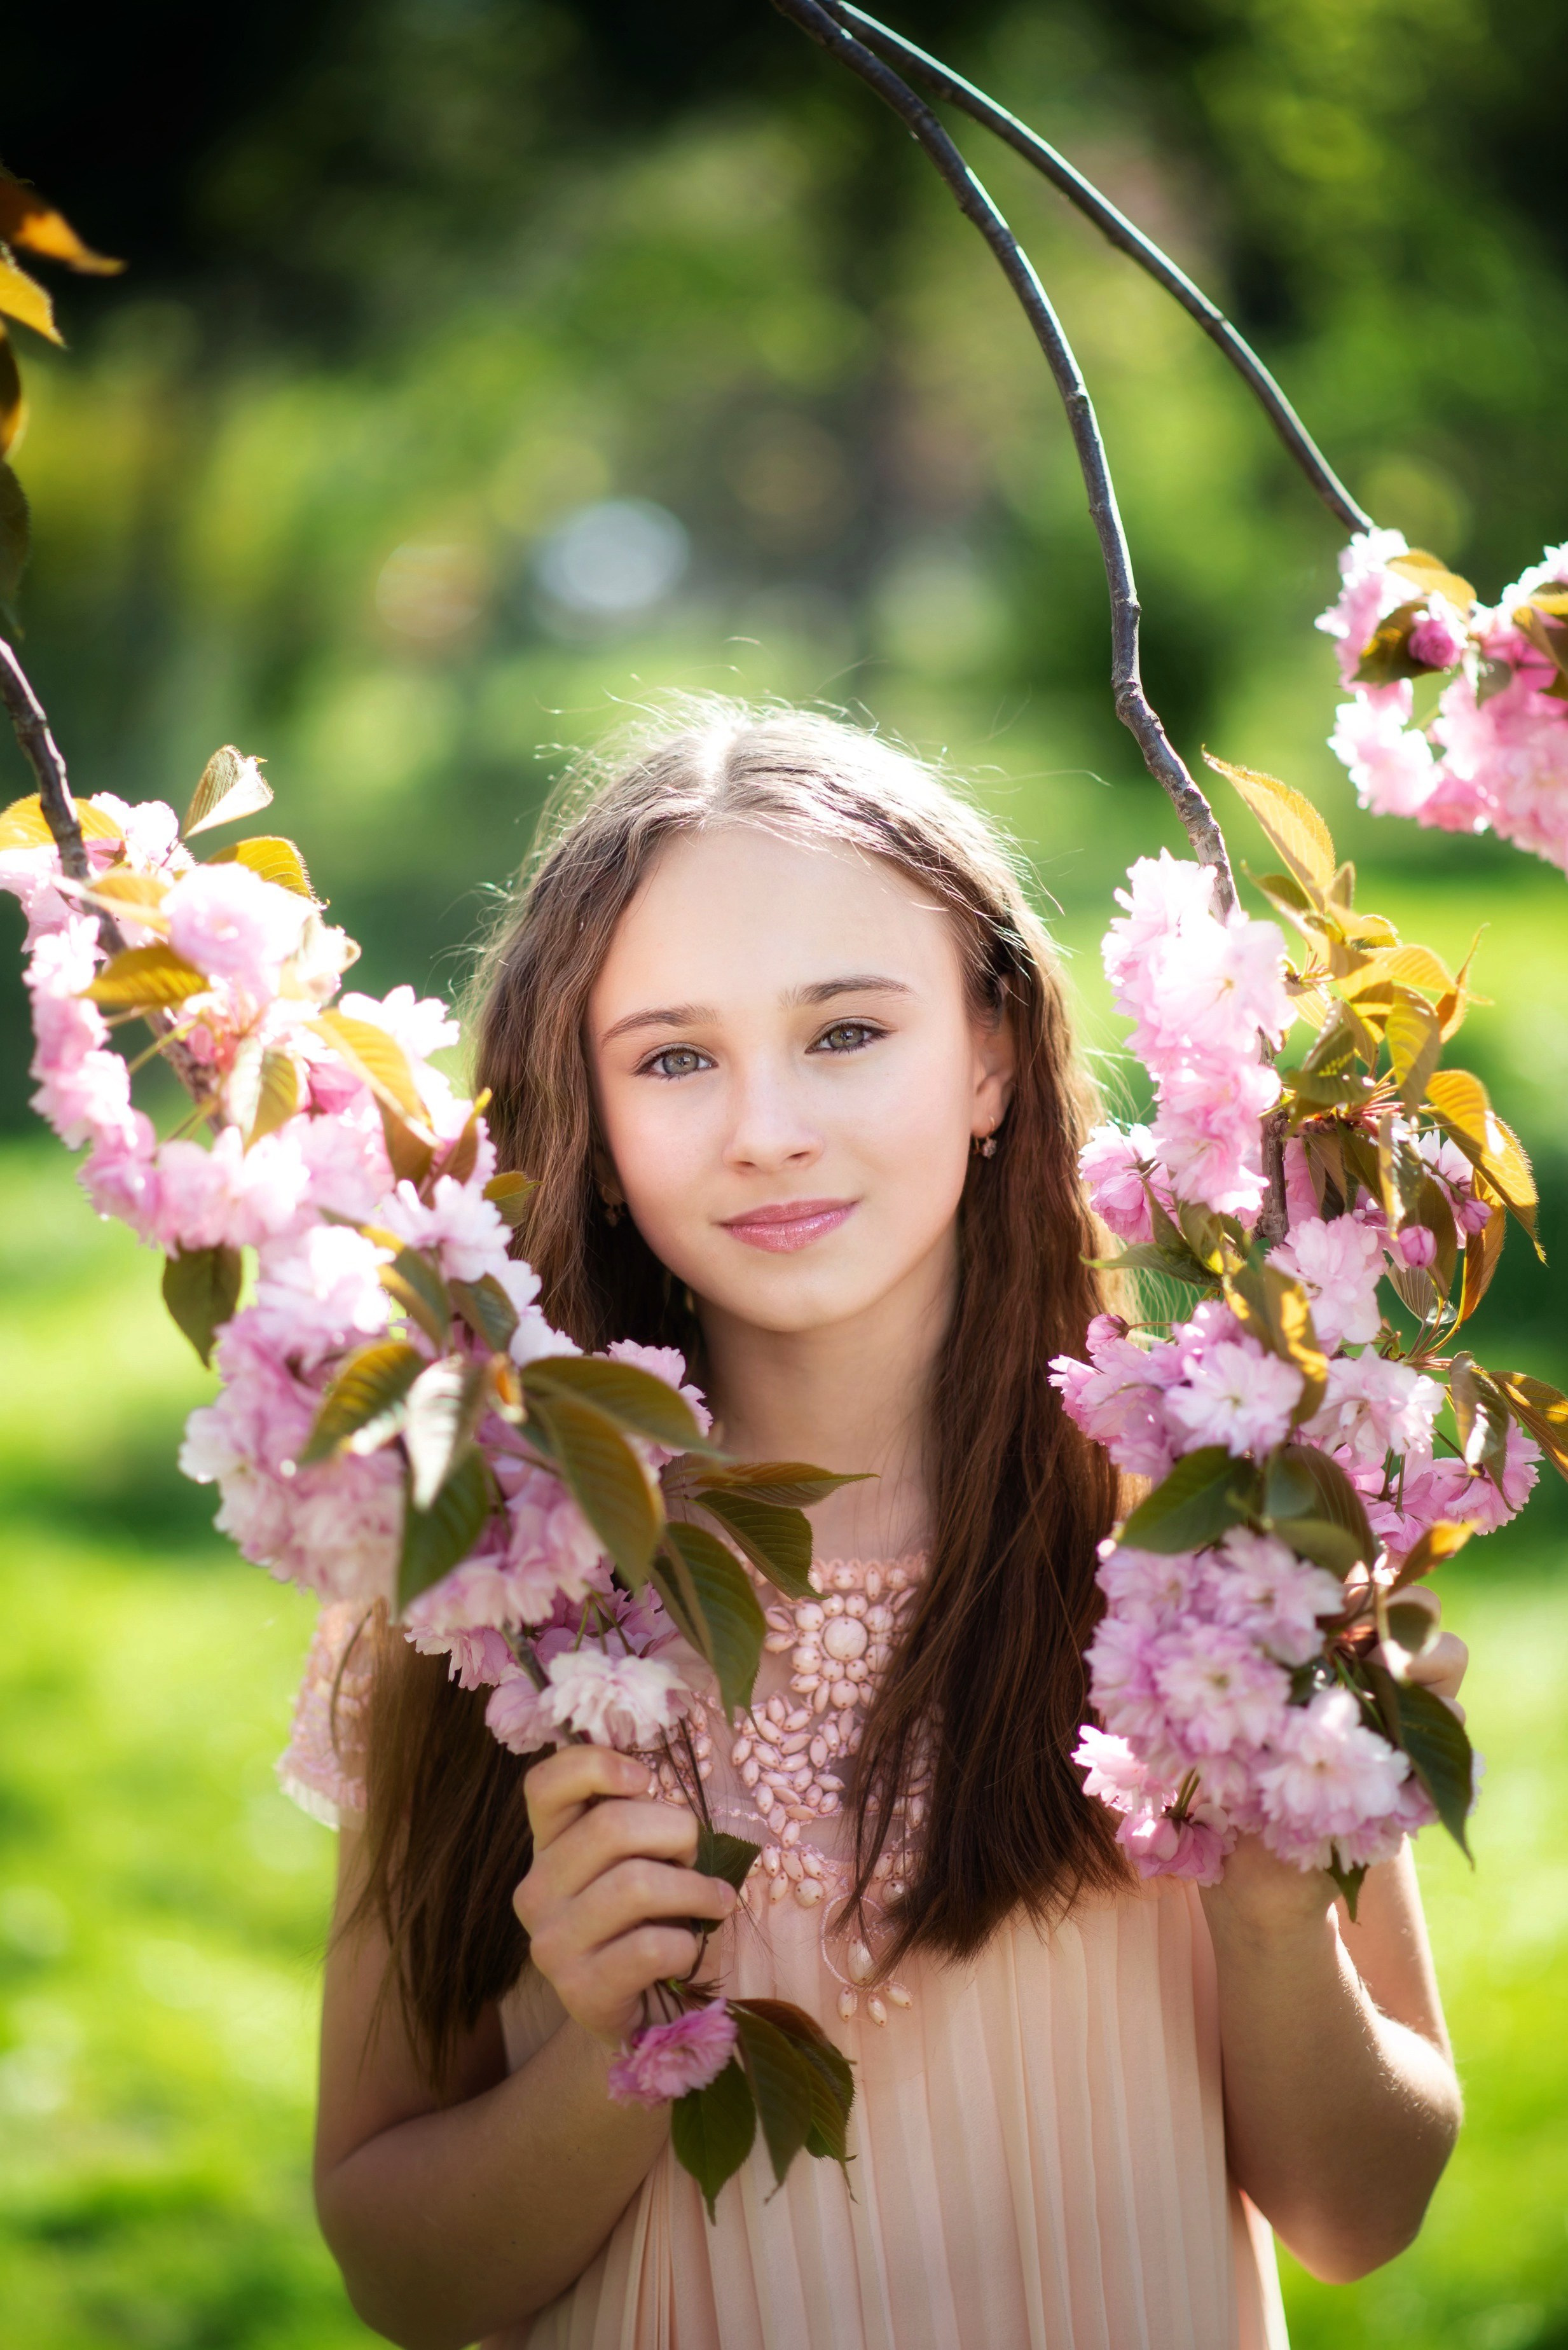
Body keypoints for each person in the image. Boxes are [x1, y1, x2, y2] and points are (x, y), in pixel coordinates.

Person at [294, 703, 1466, 2350]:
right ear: (599, 1128)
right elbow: (402, 2278)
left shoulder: (1204, 1548)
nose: (765, 1123)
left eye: (846, 1031)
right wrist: (608, 2051)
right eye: (674, 1057)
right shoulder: (496, 1585)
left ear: (988, 1052)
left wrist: (1276, 1924)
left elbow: (1364, 2210)